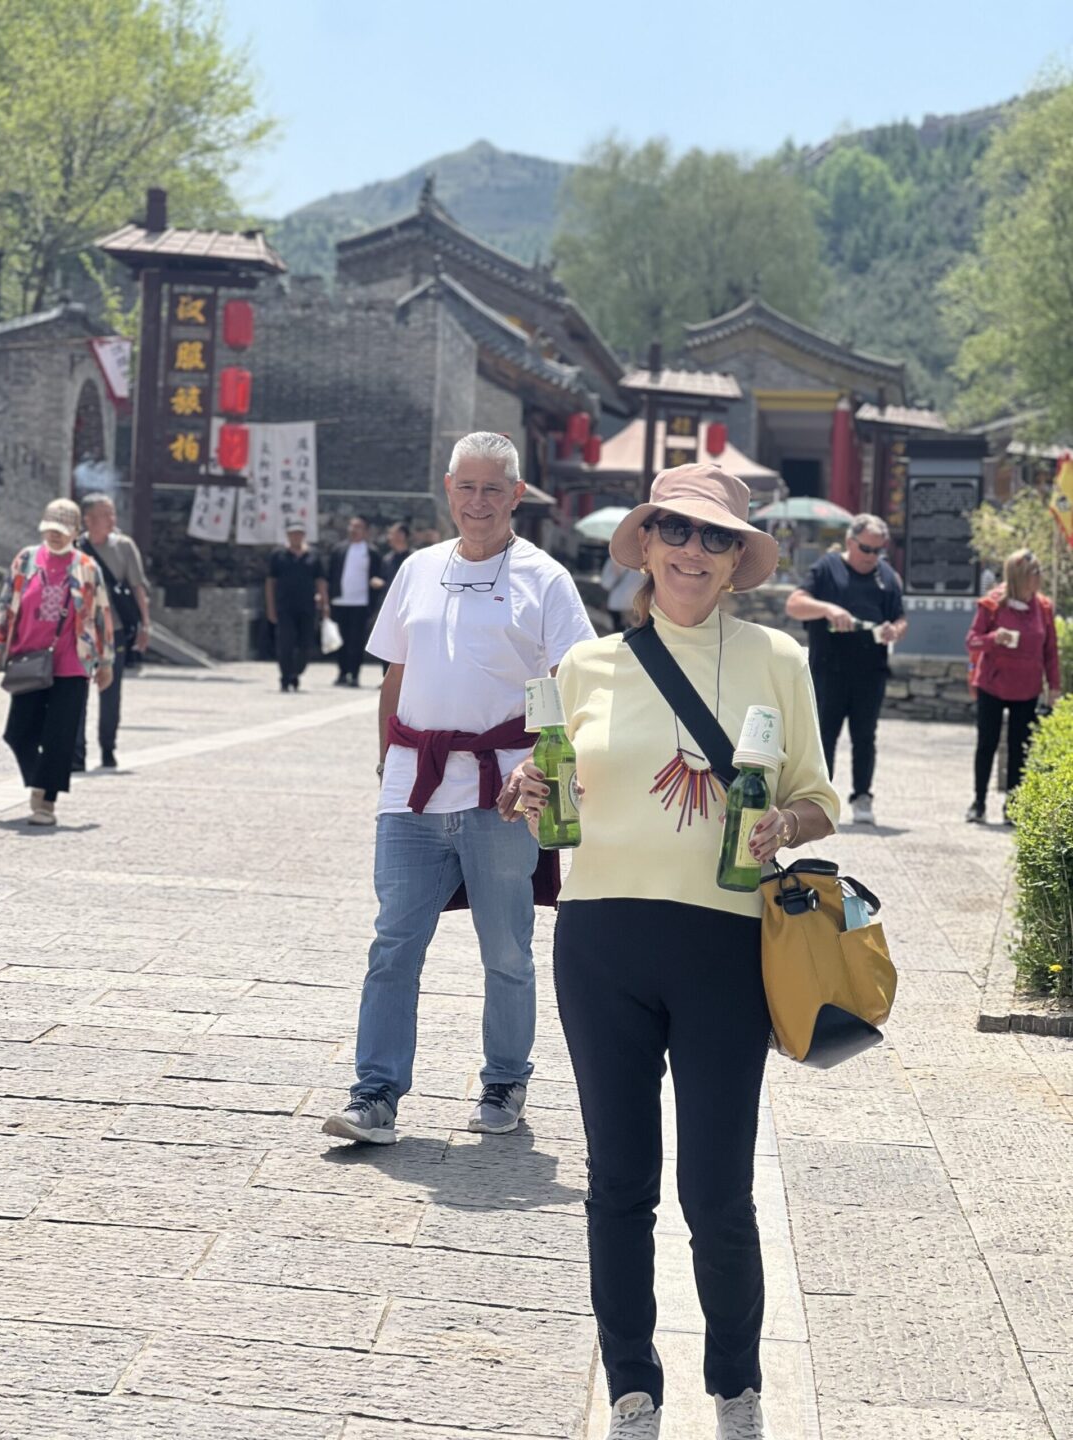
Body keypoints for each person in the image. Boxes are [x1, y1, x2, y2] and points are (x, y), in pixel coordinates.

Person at [513, 462, 838, 1440]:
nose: (694, 552)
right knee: (618, 1182)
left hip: (723, 949)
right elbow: (548, 792)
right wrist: (526, 792)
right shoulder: (586, 667)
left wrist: (784, 822)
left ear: (738, 561)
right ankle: (633, 1388)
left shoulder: (779, 659)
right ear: (646, 545)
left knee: (716, 1190)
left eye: (716, 538)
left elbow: (819, 799)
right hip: (602, 941)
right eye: (677, 532)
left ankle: (736, 1387)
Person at [322, 431, 594, 1147]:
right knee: (393, 944)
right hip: (413, 790)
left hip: (503, 790)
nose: (478, 502)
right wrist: (387, 764)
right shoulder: (417, 568)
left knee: (505, 949)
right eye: (466, 487)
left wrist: (546, 771)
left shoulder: (545, 579)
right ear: (447, 489)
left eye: (493, 489)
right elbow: (395, 675)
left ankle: (505, 1078)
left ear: (517, 495)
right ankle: (375, 1093)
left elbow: (578, 681)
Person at [0, 499, 115, 826]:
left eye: (61, 530)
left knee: (59, 736)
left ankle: (46, 803)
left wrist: (105, 662)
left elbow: (102, 614)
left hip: (73, 662)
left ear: (75, 531)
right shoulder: (26, 560)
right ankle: (41, 779)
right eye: (49, 529)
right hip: (28, 659)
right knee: (18, 732)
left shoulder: (86, 566)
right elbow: (5, 605)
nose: (54, 535)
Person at [785, 513, 907, 825]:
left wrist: (894, 630)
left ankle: (862, 795)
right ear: (850, 542)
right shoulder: (827, 568)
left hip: (870, 671)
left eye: (878, 551)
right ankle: (818, 799)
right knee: (823, 736)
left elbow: (900, 618)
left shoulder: (886, 576)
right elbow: (794, 603)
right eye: (866, 549)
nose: (871, 557)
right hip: (829, 670)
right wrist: (827, 608)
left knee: (865, 736)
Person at [965, 547, 1060, 824]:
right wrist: (994, 638)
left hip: (1027, 688)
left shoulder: (1043, 607)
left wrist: (1054, 687)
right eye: (1034, 572)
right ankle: (979, 802)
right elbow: (972, 641)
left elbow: (1050, 650)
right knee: (987, 743)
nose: (1039, 577)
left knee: (1020, 748)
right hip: (993, 685)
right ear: (1018, 576)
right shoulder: (992, 604)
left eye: (1039, 571)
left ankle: (1013, 805)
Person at [72, 492, 150, 771]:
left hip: (112, 630)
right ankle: (77, 753)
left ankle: (108, 747)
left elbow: (137, 586)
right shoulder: (74, 548)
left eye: (112, 513)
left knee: (110, 690)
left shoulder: (124, 547)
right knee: (76, 690)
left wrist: (145, 624)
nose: (111, 519)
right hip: (80, 631)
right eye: (105, 514)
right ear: (88, 519)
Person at [265, 520, 328, 693]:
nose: (296, 537)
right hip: (284, 606)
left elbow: (320, 580)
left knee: (306, 643)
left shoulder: (313, 555)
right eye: (293, 533)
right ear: (287, 535)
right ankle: (285, 676)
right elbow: (270, 582)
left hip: (307, 606)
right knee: (285, 642)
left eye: (299, 533)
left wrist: (325, 603)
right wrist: (270, 607)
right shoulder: (278, 555)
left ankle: (297, 671)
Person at [326, 516, 383, 687]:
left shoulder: (372, 552)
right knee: (340, 639)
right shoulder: (339, 550)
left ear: (365, 531)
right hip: (339, 601)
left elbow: (378, 574)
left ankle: (355, 674)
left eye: (358, 527)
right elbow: (331, 575)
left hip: (361, 603)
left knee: (356, 640)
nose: (353, 530)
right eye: (351, 526)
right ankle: (342, 672)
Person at [375, 523, 413, 677]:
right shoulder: (387, 559)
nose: (389, 537)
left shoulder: (414, 558)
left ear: (402, 536)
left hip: (409, 606)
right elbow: (383, 578)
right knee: (388, 643)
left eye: (393, 534)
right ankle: (387, 678)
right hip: (389, 606)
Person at [600, 552, 643, 633]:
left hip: (635, 608)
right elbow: (606, 585)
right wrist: (616, 573)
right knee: (618, 636)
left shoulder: (645, 561)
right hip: (617, 607)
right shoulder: (613, 560)